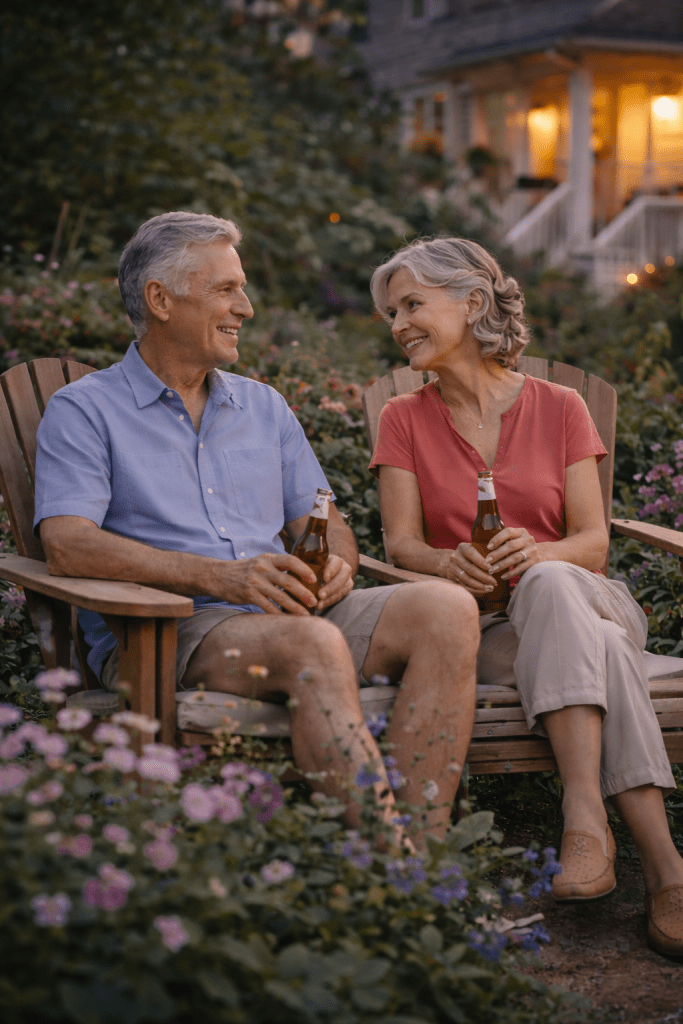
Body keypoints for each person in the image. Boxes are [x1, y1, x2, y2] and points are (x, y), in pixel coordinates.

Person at [33, 211, 480, 848]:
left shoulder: (263, 407)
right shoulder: (85, 410)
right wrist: (223, 577)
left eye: (241, 288)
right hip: (169, 631)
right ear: (160, 300)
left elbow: (326, 525)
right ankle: (394, 872)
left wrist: (336, 567)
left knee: (446, 608)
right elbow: (66, 541)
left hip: (288, 615)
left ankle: (422, 855)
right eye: (225, 289)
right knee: (312, 646)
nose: (245, 306)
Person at [368, 236, 683, 956]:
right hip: (495, 632)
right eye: (392, 312)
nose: (398, 324)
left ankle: (581, 816)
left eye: (413, 304)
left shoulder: (561, 406)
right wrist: (448, 566)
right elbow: (401, 546)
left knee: (550, 582)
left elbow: (591, 544)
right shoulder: (402, 420)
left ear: (471, 303)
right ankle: (665, 870)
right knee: (599, 652)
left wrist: (536, 555)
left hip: (585, 593)